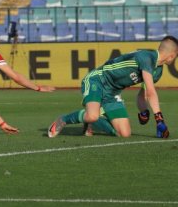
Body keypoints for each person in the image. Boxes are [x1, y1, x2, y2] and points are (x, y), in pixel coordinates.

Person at [48, 36, 178, 138]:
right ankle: (64, 119)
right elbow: (151, 91)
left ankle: (92, 122)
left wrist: (144, 111)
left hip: (113, 92)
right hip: (97, 80)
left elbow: (143, 94)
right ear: (172, 55)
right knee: (92, 115)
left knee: (124, 133)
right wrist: (159, 120)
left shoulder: (158, 71)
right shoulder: (146, 57)